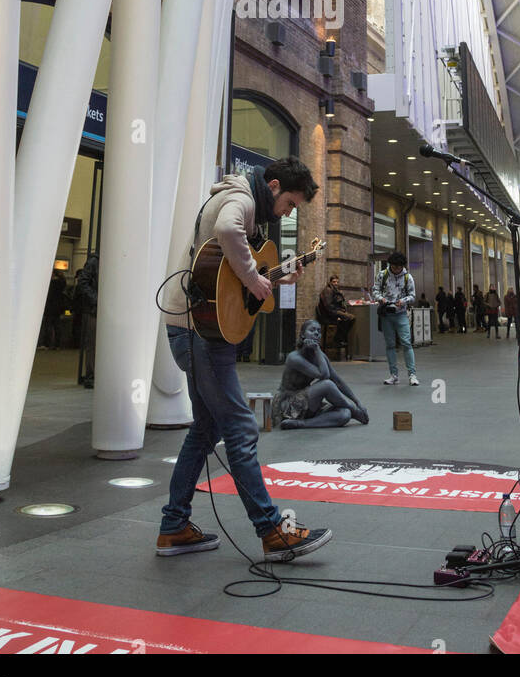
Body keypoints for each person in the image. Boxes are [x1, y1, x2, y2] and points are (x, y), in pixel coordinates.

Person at [157, 157, 332, 562]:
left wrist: (274, 276)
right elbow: (226, 231)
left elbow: (228, 271)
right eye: (289, 203)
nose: (288, 213)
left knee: (204, 431)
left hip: (192, 328)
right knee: (240, 429)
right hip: (201, 332)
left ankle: (174, 526)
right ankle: (272, 531)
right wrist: (255, 278)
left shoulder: (245, 201)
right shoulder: (241, 199)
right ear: (273, 186)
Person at [273, 319, 369, 429]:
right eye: (312, 330)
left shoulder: (319, 356)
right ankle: (355, 411)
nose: (316, 333)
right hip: (288, 405)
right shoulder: (294, 358)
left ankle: (302, 424)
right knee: (327, 385)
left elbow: (337, 380)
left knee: (345, 414)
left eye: (318, 331)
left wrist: (357, 401)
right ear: (303, 335)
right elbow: (325, 376)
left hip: (306, 404)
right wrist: (355, 409)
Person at [372, 250, 418, 385]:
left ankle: (412, 375)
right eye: (393, 266)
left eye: (398, 267)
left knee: (406, 343)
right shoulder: (382, 275)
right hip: (386, 314)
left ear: (402, 266)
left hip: (401, 314)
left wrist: (403, 301)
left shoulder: (408, 277)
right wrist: (382, 299)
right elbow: (375, 290)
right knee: (390, 345)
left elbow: (413, 295)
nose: (396, 269)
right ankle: (393, 375)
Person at [317, 273, 356, 356]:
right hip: (328, 315)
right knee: (350, 318)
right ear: (330, 282)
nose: (336, 283)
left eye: (337, 282)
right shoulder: (328, 290)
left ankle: (339, 338)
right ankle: (338, 339)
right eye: (334, 282)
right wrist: (339, 314)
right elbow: (329, 306)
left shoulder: (335, 291)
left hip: (334, 312)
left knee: (347, 318)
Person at [76, 254, 99, 387]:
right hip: (94, 310)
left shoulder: (96, 261)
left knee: (93, 344)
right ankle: (91, 376)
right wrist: (97, 300)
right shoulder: (95, 261)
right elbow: (83, 282)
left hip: (95, 308)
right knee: (92, 344)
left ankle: (93, 375)